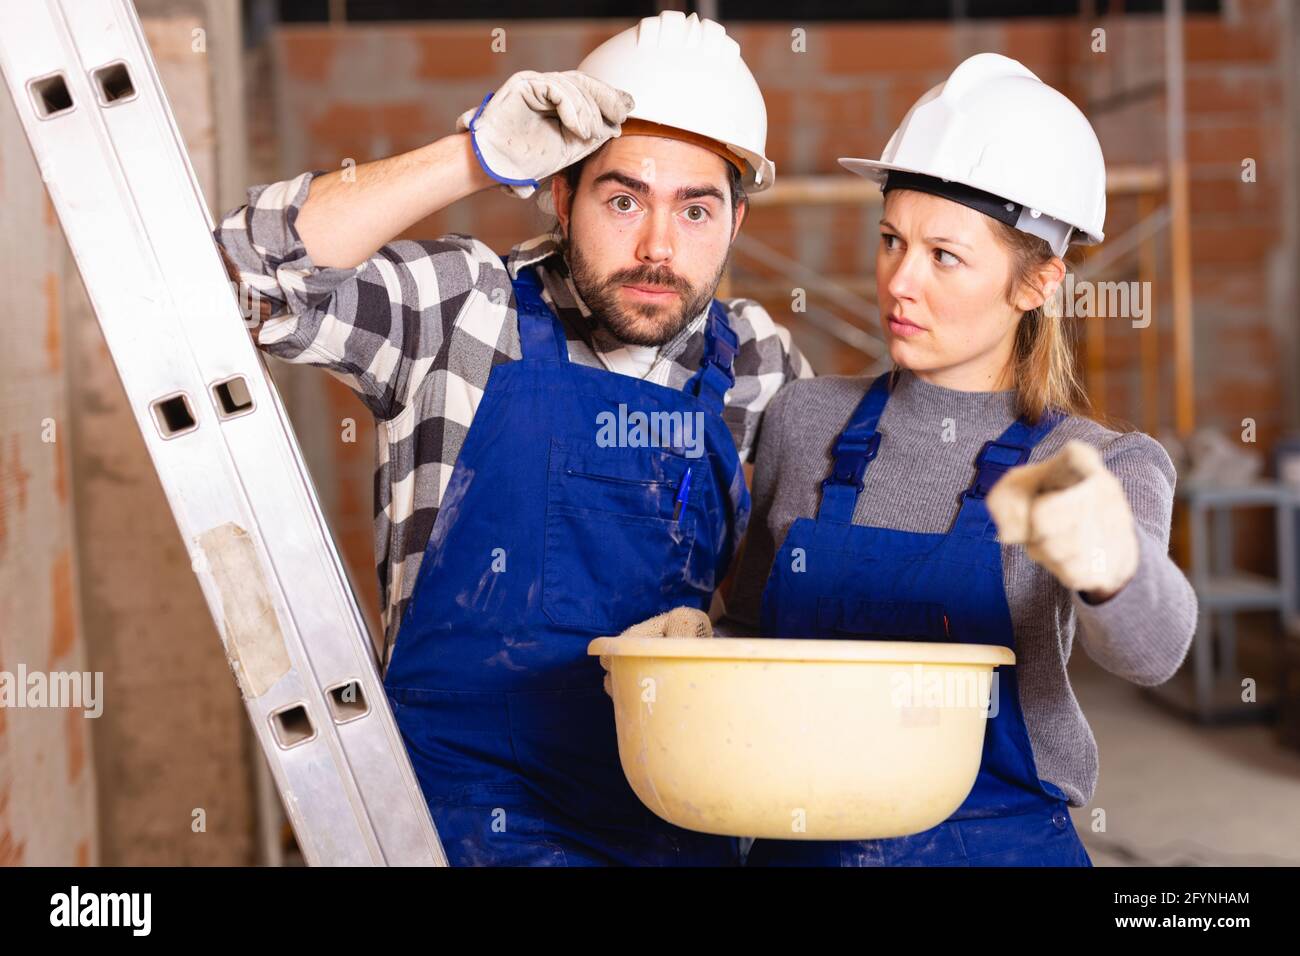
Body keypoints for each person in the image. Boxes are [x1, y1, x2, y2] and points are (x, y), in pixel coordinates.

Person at [215, 11, 810, 866]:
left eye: (695, 210)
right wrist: (472, 156)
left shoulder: (756, 359)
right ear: (560, 195)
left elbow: (786, 599)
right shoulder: (465, 307)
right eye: (622, 198)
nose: (657, 247)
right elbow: (243, 274)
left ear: (735, 223)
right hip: (452, 825)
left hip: (678, 814)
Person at [722, 53, 1197, 866]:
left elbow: (1154, 651)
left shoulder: (1094, 462)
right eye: (890, 240)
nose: (899, 282)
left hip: (997, 845)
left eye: (944, 256)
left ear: (1035, 284)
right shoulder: (806, 419)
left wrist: (1110, 563)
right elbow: (749, 628)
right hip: (805, 834)